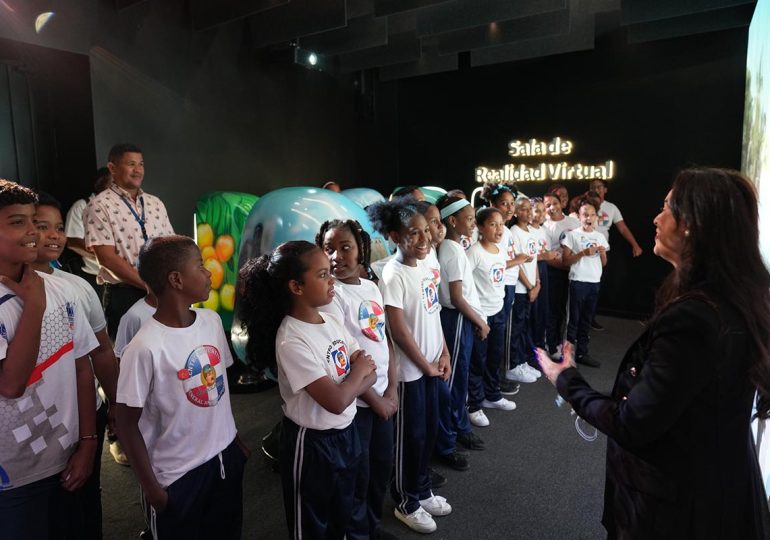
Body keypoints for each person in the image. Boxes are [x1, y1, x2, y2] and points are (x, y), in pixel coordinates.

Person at [538, 168, 770, 538]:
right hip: (716, 489)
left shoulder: (697, 317)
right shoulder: (729, 300)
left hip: (682, 506)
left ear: (694, 224)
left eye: (667, 208)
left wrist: (565, 380)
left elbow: (633, 423)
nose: (656, 218)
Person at [239, 240, 376, 538]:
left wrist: (358, 376)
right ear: (296, 287)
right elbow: (337, 400)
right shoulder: (292, 339)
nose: (333, 281)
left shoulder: (330, 320)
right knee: (312, 524)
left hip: (346, 432)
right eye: (323, 275)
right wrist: (357, 376)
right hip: (312, 444)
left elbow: (370, 372)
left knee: (344, 510)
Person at [116, 235, 248, 540]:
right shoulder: (145, 347)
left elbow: (219, 391)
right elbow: (125, 423)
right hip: (177, 476)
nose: (208, 273)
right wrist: (152, 488)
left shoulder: (211, 321)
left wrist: (235, 441)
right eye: (200, 266)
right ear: (176, 279)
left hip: (223, 459)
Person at [0, 179, 99, 539]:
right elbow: (11, 384)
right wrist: (35, 306)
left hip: (68, 456)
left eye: (33, 221)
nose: (32, 232)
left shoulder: (61, 288)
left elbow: (82, 368)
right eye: (17, 222)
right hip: (13, 475)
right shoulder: (39, 296)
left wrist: (89, 442)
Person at [32, 192, 120, 540]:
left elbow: (101, 351)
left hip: (83, 414)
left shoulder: (77, 287)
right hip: (37, 427)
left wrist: (114, 403)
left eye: (58, 228)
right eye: (42, 226)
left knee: (84, 503)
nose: (54, 235)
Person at [367, 199, 452, 534]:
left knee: (429, 430)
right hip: (410, 373)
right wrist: (425, 366)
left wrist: (443, 353)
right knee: (410, 437)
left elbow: (433, 314)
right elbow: (398, 331)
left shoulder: (427, 265)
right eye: (412, 234)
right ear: (393, 236)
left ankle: (422, 487)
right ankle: (406, 500)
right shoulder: (392, 274)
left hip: (432, 366)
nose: (423, 239)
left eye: (425, 231)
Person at [316, 220, 398, 540]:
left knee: (381, 468)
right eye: (329, 249)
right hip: (359, 405)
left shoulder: (370, 286)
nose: (337, 256)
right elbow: (344, 361)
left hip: (383, 397)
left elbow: (384, 339)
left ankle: (372, 526)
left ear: (360, 249)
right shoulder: (331, 298)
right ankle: (358, 532)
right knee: (358, 476)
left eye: (345, 247)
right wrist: (376, 401)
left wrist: (392, 387)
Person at [84, 143, 174, 339]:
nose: (138, 170)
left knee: (166, 349)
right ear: (112, 168)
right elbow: (106, 259)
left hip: (162, 290)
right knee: (128, 356)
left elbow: (170, 246)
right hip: (125, 294)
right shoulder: (99, 205)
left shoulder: (155, 203)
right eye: (131, 164)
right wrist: (148, 286)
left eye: (141, 164)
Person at [434, 195, 488, 469]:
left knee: (459, 378)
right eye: (468, 218)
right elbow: (456, 297)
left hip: (459, 320)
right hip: (455, 320)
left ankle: (458, 429)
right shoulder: (452, 250)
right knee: (454, 381)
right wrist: (479, 320)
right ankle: (450, 437)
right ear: (452, 221)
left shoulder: (453, 246)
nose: (473, 222)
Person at [465, 207, 517, 428]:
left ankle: (492, 395)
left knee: (495, 357)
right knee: (478, 360)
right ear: (480, 227)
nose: (499, 229)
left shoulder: (498, 249)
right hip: (481, 316)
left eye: (501, 224)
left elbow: (499, 272)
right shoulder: (474, 252)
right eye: (493, 224)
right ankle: (474, 405)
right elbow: (464, 286)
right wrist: (478, 318)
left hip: (498, 311)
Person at [481, 183, 528, 396]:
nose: (509, 208)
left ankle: (495, 379)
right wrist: (516, 261)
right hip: (496, 289)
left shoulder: (507, 231)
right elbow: (495, 264)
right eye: (504, 203)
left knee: (499, 339)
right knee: (492, 340)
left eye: (512, 204)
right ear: (491, 204)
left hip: (505, 287)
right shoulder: (487, 234)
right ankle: (490, 382)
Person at [560, 196, 608, 367]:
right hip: (578, 282)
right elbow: (565, 261)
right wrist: (583, 253)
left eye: (592, 215)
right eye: (585, 215)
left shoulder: (600, 236)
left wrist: (601, 253)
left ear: (596, 216)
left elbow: (603, 263)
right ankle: (567, 356)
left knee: (586, 320)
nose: (589, 218)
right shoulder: (572, 235)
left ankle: (582, 353)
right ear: (579, 217)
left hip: (594, 282)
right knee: (573, 320)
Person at [506, 197, 541, 384]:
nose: (528, 213)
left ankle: (521, 361)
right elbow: (517, 264)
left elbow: (533, 261)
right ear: (517, 212)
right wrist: (529, 286)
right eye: (524, 209)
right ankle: (512, 365)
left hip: (530, 288)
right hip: (520, 289)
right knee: (516, 329)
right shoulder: (514, 232)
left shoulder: (531, 232)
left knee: (525, 327)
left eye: (530, 209)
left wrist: (537, 283)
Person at [64, 167, 112, 298]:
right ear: (100, 184)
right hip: (95, 276)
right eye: (113, 183)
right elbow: (73, 242)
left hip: (125, 278)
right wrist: (107, 256)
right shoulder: (82, 206)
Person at [542, 192, 579, 359]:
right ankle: (552, 343)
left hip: (572, 271)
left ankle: (561, 341)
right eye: (547, 205)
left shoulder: (573, 222)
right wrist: (566, 266)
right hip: (555, 272)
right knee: (553, 310)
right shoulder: (545, 227)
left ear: (562, 204)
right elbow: (548, 256)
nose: (552, 207)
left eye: (554, 203)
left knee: (566, 311)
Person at [528, 197, 557, 352]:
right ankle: (530, 347)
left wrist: (549, 256)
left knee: (543, 309)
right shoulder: (526, 230)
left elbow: (545, 252)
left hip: (544, 270)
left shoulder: (544, 231)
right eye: (536, 210)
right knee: (532, 310)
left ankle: (539, 344)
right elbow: (524, 256)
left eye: (542, 210)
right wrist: (543, 257)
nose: (540, 214)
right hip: (531, 270)